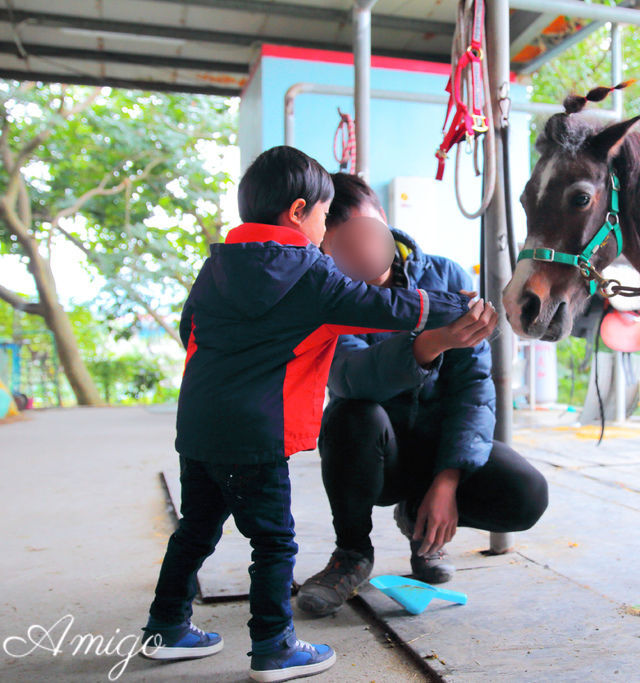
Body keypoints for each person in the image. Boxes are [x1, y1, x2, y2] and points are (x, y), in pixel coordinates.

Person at [139, 146, 483, 683]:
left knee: (196, 530)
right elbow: (388, 308)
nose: (326, 233)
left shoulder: (217, 265)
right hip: (256, 433)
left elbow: (192, 331)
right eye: (324, 218)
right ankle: (274, 647)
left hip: (199, 427)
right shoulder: (308, 272)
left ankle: (165, 629)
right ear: (299, 212)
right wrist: (459, 307)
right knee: (274, 542)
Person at [296, 173, 549, 618]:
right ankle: (351, 554)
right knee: (351, 414)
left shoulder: (445, 276)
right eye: (343, 246)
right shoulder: (330, 297)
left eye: (366, 235)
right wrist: (429, 343)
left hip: (437, 445)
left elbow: (473, 388)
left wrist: (448, 478)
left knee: (526, 493)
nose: (362, 252)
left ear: (384, 222)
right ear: (326, 249)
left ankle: (419, 522)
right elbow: (350, 378)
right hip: (377, 455)